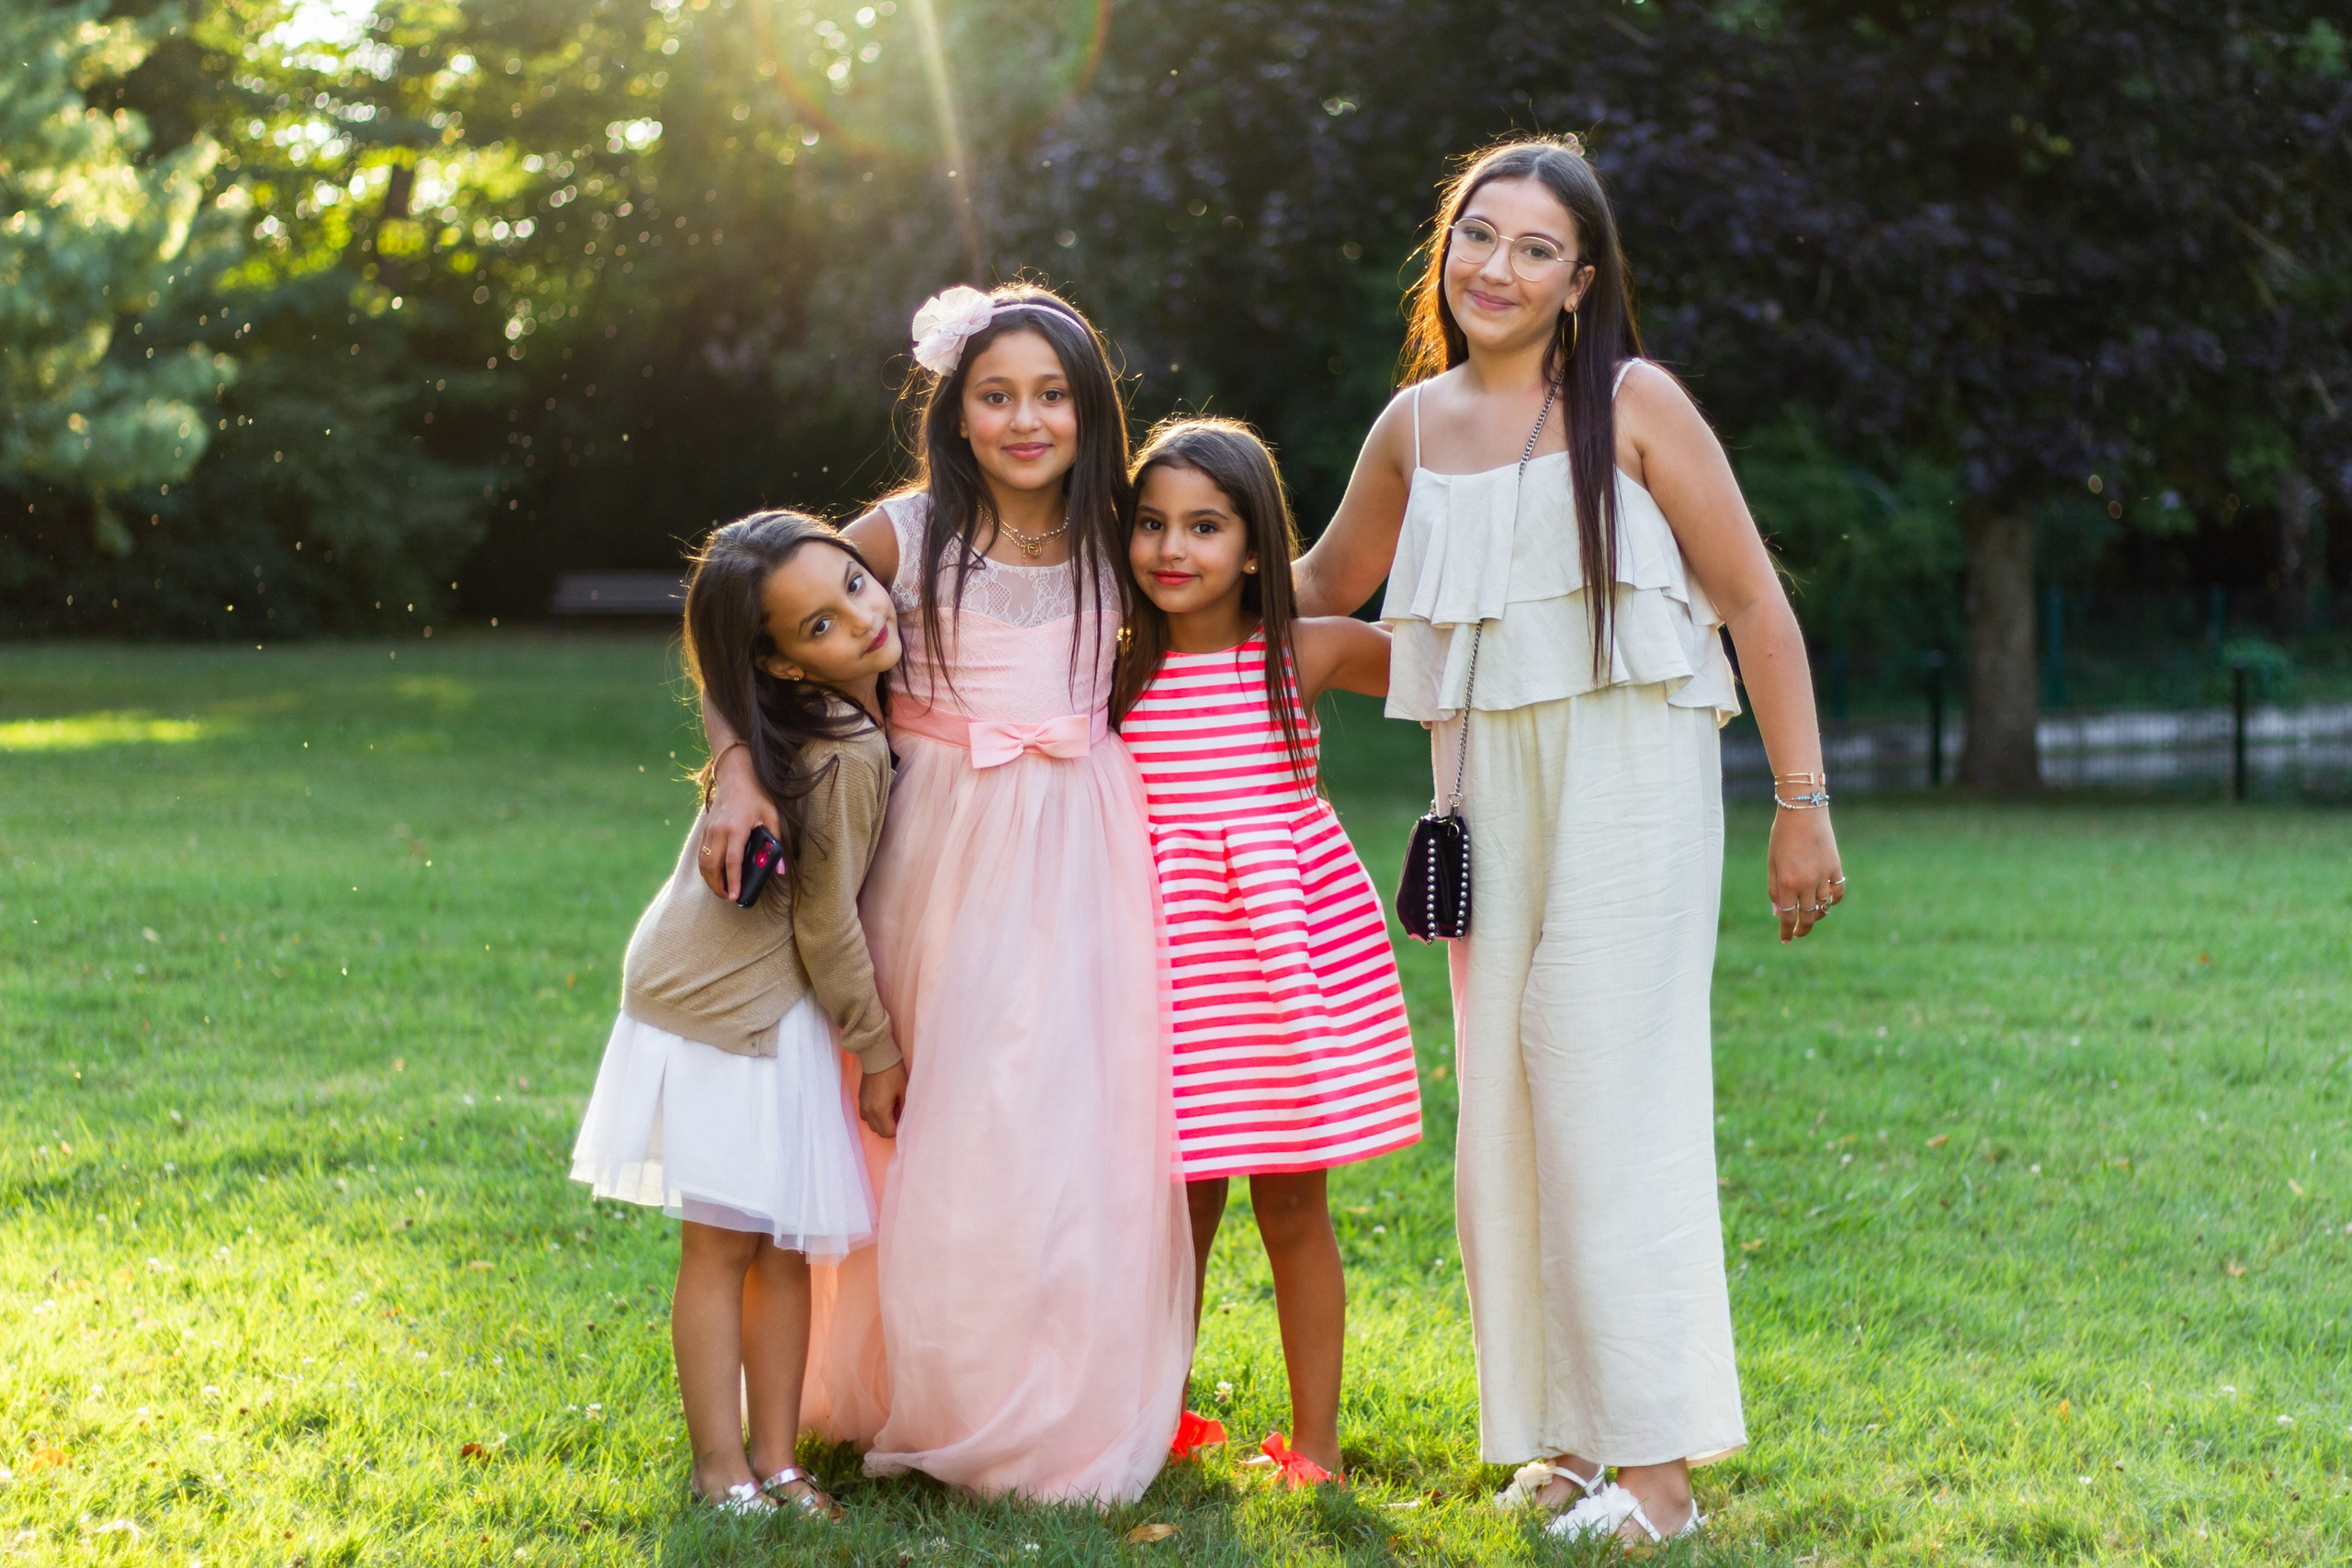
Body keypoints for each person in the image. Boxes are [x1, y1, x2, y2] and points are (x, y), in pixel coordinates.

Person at [1294, 136, 1847, 1544]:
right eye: (1479, 235)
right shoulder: (1410, 430)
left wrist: (1802, 801)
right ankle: (1561, 1434)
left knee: (1609, 1095)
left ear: (1579, 279)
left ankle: (1657, 1477)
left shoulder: (1631, 401)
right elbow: (1316, 601)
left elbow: (1754, 607)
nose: (1497, 266)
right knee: (1509, 1111)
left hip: (1631, 782)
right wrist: (1132, 577)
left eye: (1536, 248)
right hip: (1483, 797)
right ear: (1446, 250)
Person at [707, 284, 1194, 1505]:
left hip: (1084, 843)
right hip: (938, 845)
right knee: (943, 1114)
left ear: (1090, 410)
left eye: (1051, 394)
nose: (1025, 418)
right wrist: (732, 768)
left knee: (1065, 1121)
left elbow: (1251, 596)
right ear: (956, 412)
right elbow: (736, 607)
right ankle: (913, 1382)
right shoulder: (906, 531)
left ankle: (1047, 1395)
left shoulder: (1125, 535)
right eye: (996, 395)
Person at [570, 511, 910, 1519]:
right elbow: (826, 924)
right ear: (781, 664)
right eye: (817, 627)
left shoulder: (826, 722)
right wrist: (880, 1051)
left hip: (779, 1018)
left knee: (786, 1245)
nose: (858, 618)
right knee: (723, 1245)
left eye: (853, 585)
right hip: (724, 1014)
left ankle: (781, 1460)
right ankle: (721, 1468)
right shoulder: (839, 750)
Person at [1113, 418, 1419, 1487]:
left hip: (1287, 968)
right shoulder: (1108, 669)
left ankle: (1317, 1448)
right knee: (1173, 1210)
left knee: (1293, 1200)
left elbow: (1457, 683)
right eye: (1150, 524)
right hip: (1165, 968)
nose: (1170, 549)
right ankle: (1151, 1420)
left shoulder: (1304, 650)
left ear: (1254, 545)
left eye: (1204, 526)